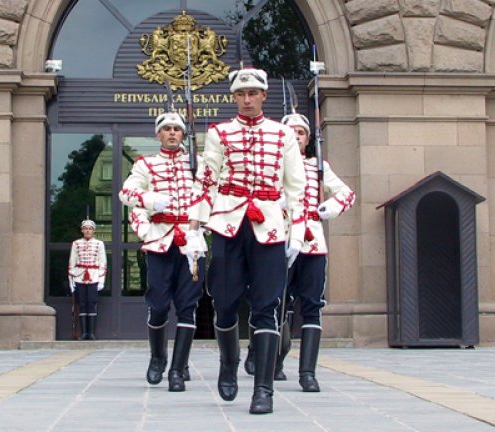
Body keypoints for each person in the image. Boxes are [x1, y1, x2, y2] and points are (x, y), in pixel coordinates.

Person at [187, 67, 306, 414]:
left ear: (264, 96)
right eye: (241, 94)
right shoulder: (219, 133)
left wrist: (297, 231)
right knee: (223, 303)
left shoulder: (283, 135)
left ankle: (264, 389)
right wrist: (194, 229)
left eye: (254, 93)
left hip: (268, 224)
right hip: (227, 224)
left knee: (267, 307)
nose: (248, 99)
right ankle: (228, 363)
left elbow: (296, 187)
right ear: (234, 97)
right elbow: (206, 182)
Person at [119, 110, 206, 392]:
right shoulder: (146, 165)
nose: (172, 133)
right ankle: (158, 358)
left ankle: (178, 370)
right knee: (157, 305)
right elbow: (127, 194)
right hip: (159, 241)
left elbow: (210, 197)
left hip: (191, 243)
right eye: (166, 129)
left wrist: (197, 230)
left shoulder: (199, 163)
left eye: (177, 129)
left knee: (188, 307)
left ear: (183, 134)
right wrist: (150, 203)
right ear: (158, 134)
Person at [278, 112, 355, 391]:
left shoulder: (318, 166)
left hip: (312, 243)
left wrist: (328, 209)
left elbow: (347, 194)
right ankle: (274, 359)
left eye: (301, 132)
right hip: (282, 241)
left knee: (311, 306)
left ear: (308, 139)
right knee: (278, 304)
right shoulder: (273, 166)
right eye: (291, 132)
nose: (295, 136)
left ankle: (307, 373)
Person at [67, 219, 107, 340]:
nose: (87, 231)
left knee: (92, 303)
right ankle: (84, 333)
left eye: (90, 229)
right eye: (85, 228)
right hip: (80, 276)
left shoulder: (99, 244)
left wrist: (101, 280)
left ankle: (91, 333)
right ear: (82, 230)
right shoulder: (76, 243)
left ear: (93, 231)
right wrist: (71, 279)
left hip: (94, 276)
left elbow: (102, 262)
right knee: (82, 304)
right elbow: (72, 262)